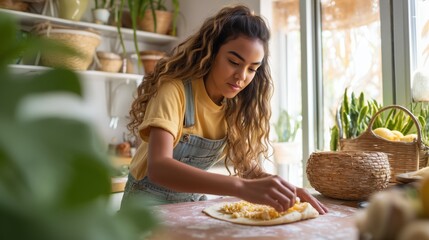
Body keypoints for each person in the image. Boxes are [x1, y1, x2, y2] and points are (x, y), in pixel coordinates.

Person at [121, 4, 328, 215]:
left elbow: (247, 170)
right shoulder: (175, 90)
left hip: (188, 207)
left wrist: (286, 189)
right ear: (211, 52)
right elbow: (159, 168)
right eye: (233, 62)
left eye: (252, 69)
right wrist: (239, 187)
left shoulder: (234, 105)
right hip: (143, 210)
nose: (241, 76)